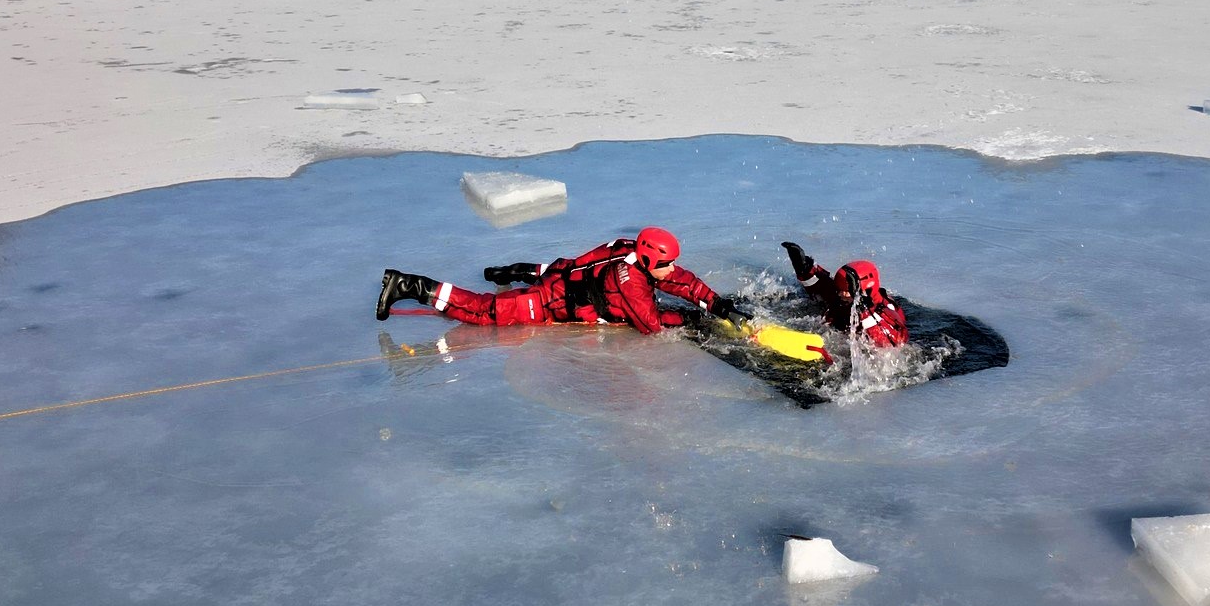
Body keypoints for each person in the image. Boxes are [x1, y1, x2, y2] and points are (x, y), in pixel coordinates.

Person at [377, 227, 743, 335]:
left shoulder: (631, 250)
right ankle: (410, 286)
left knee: (552, 270)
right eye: (666, 263)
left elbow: (681, 282)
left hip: (563, 273)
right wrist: (693, 318)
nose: (671, 269)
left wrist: (717, 303)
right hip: (549, 302)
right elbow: (650, 324)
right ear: (648, 260)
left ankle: (512, 271)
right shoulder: (631, 280)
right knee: (485, 311)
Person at [781, 241, 909, 348]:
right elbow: (824, 288)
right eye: (839, 288)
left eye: (847, 290)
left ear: (864, 290)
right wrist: (804, 269)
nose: (841, 294)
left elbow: (890, 344)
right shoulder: (843, 297)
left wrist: (863, 310)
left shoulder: (887, 314)